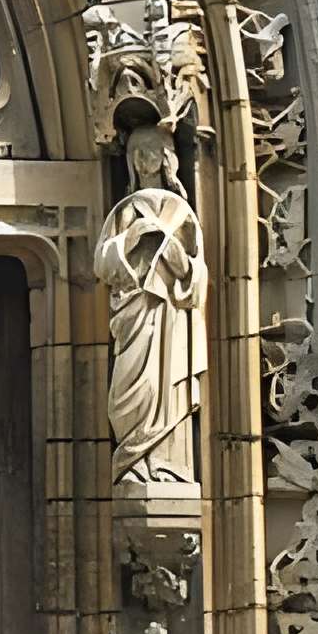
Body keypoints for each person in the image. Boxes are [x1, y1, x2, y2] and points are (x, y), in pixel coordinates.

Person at [93, 124, 206, 490]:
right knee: (128, 390)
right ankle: (133, 462)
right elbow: (102, 262)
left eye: (151, 150)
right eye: (136, 153)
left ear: (167, 158)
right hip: (133, 313)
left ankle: (167, 465)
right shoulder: (126, 210)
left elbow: (196, 277)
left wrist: (175, 256)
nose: (144, 160)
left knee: (166, 390)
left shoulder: (180, 212)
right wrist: (133, 238)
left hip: (168, 318)